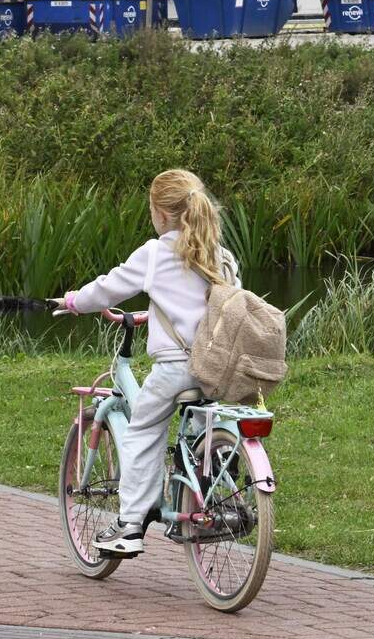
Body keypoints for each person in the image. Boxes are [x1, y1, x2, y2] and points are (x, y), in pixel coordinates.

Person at [57, 168, 239, 558]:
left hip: (176, 367)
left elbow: (110, 286)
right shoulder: (220, 255)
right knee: (204, 421)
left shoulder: (157, 253)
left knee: (143, 431)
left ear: (160, 214)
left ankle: (130, 524)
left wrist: (75, 301)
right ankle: (219, 477)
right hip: (220, 366)